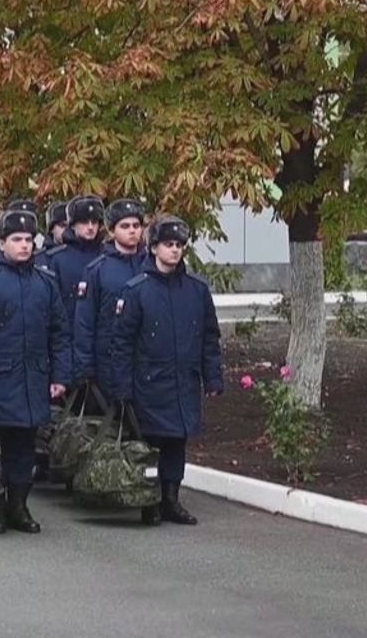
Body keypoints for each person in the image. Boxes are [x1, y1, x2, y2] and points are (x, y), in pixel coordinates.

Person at [0, 209, 71, 535]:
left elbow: (60, 333)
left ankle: (19, 505)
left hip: (34, 378)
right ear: (1, 243)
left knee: (25, 448)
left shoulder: (45, 283)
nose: (24, 246)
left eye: (28, 240)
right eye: (16, 240)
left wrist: (60, 376)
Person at [110, 215, 223, 527]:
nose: (175, 251)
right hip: (149, 380)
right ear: (154, 248)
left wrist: (213, 377)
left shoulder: (196, 290)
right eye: (168, 245)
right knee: (151, 443)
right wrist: (122, 388)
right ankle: (149, 500)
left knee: (177, 441)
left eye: (179, 246)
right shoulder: (136, 290)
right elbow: (122, 343)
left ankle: (171, 499)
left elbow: (209, 336)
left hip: (184, 379)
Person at [73, 197, 148, 398]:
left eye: (136, 225)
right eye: (125, 226)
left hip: (147, 362)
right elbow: (85, 322)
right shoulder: (97, 270)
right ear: (112, 230)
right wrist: (85, 367)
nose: (132, 230)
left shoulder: (152, 266)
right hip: (108, 362)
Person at [35, 194, 105, 330]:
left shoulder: (106, 255)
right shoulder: (56, 259)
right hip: (68, 331)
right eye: (84, 222)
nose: (90, 227)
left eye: (94, 222)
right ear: (73, 225)